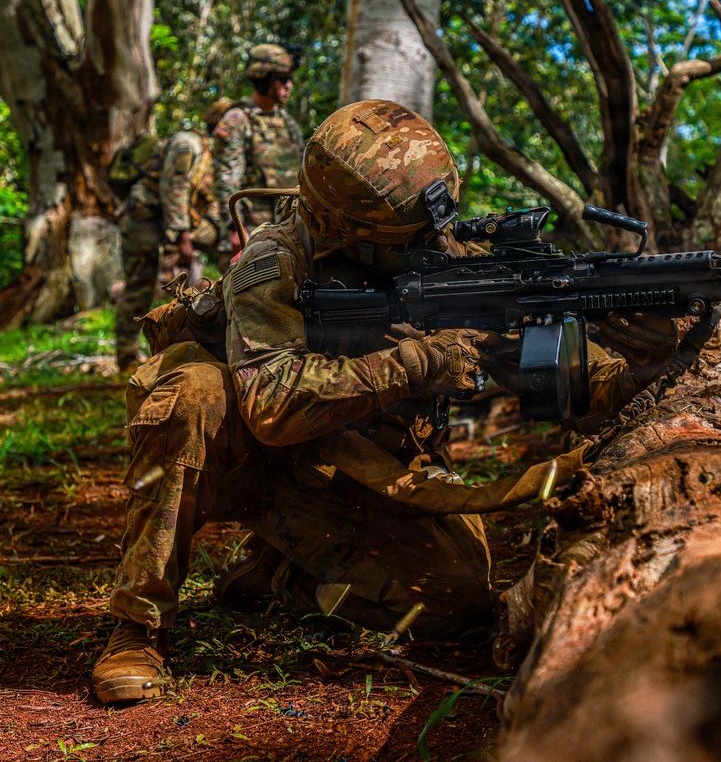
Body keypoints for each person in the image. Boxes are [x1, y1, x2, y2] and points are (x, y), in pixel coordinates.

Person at [91, 99, 680, 705]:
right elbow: (271, 406)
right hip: (242, 460)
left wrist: (635, 366)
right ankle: (138, 626)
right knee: (193, 394)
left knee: (456, 601)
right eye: (408, 239)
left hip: (357, 472)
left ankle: (283, 572)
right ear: (347, 229)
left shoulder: (445, 257)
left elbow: (555, 368)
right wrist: (419, 363)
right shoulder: (273, 261)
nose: (434, 243)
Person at [114, 100, 232, 374]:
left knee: (227, 245)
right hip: (142, 220)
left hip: (168, 222)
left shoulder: (213, 154)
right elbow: (173, 188)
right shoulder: (187, 144)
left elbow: (206, 198)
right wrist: (182, 237)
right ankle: (126, 357)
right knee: (139, 285)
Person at [213, 43, 305, 272]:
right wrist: (235, 228)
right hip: (250, 230)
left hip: (286, 230)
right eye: (283, 79)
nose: (289, 85)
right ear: (264, 79)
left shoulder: (289, 125)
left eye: (290, 78)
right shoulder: (238, 120)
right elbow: (226, 179)